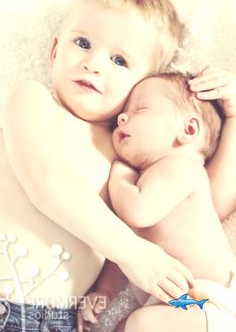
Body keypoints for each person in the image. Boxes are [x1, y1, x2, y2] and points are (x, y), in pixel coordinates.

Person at [1, 0, 236, 332]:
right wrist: (131, 252)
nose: (93, 63)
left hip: (61, 320)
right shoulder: (33, 101)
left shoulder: (130, 156)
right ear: (53, 49)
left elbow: (211, 201)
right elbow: (45, 178)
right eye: (82, 43)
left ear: (143, 84)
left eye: (119, 61)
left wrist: (234, 114)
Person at [80, 73, 236, 332]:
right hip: (183, 307)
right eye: (123, 112)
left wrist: (119, 174)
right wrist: (104, 290)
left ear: (188, 130)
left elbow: (137, 213)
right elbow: (126, 250)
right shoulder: (145, 183)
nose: (121, 118)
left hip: (214, 303)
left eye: (140, 109)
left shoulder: (183, 169)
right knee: (126, 326)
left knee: (142, 323)